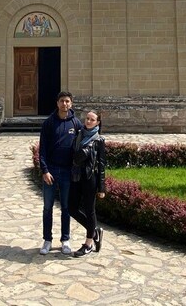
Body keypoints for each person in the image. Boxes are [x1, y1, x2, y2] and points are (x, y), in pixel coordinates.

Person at [38, 91, 82, 255]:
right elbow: (42, 149)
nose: (65, 104)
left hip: (67, 172)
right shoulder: (49, 123)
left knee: (66, 207)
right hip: (51, 170)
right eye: (62, 101)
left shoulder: (76, 123)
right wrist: (45, 170)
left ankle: (65, 240)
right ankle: (47, 240)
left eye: (67, 101)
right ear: (57, 103)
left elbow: (82, 145)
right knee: (47, 207)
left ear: (71, 104)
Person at [68, 110, 106, 257]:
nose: (88, 121)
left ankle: (89, 243)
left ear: (98, 123)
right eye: (87, 118)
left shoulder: (99, 140)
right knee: (72, 208)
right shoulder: (79, 134)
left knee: (90, 210)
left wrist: (101, 188)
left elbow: (101, 165)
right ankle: (94, 231)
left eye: (92, 120)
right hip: (76, 176)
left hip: (90, 178)